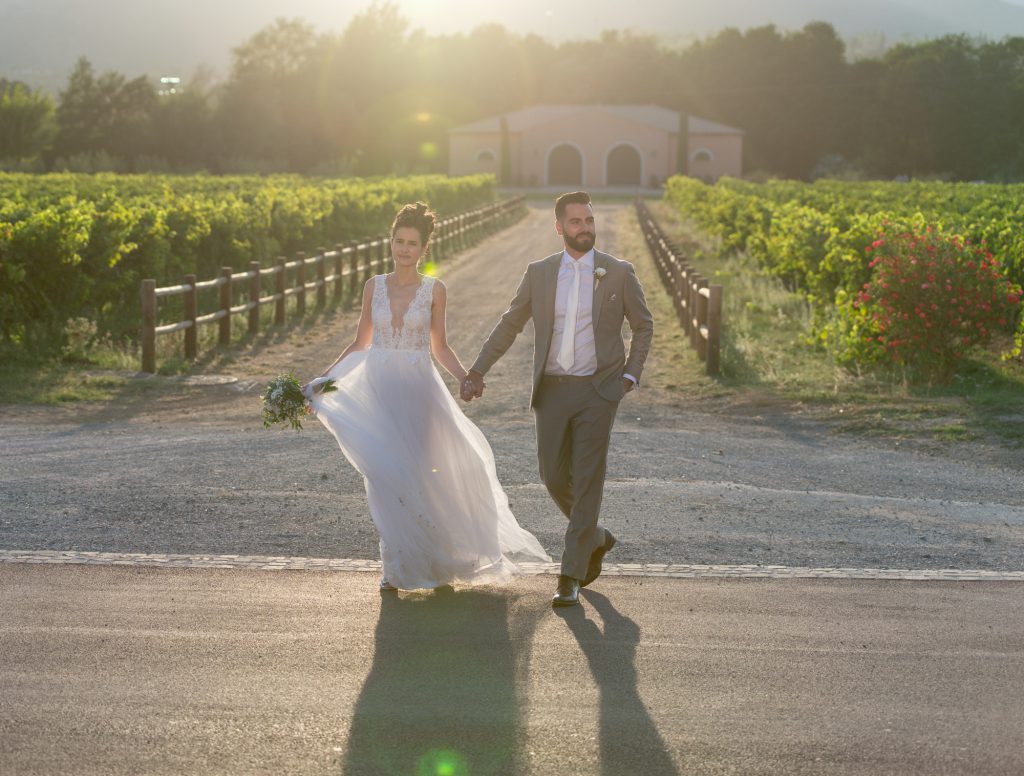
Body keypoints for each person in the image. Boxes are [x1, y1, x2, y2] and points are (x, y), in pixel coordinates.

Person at [304, 202, 551, 591]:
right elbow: (360, 342)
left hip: (419, 391)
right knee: (387, 477)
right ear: (390, 242)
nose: (403, 249)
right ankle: (397, 566)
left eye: (412, 243)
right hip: (380, 390)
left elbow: (440, 347)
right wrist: (324, 381)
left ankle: (438, 563)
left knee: (423, 474)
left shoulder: (435, 290)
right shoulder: (374, 286)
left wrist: (466, 376)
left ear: (424, 249)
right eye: (398, 241)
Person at [462, 191, 654, 607]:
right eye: (576, 222)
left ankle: (569, 575)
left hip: (598, 391)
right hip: (551, 392)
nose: (585, 228)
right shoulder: (540, 272)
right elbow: (510, 323)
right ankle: (595, 538)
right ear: (559, 227)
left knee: (588, 481)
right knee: (552, 477)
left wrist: (629, 375)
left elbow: (644, 325)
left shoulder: (618, 272)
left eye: (589, 220)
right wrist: (478, 370)